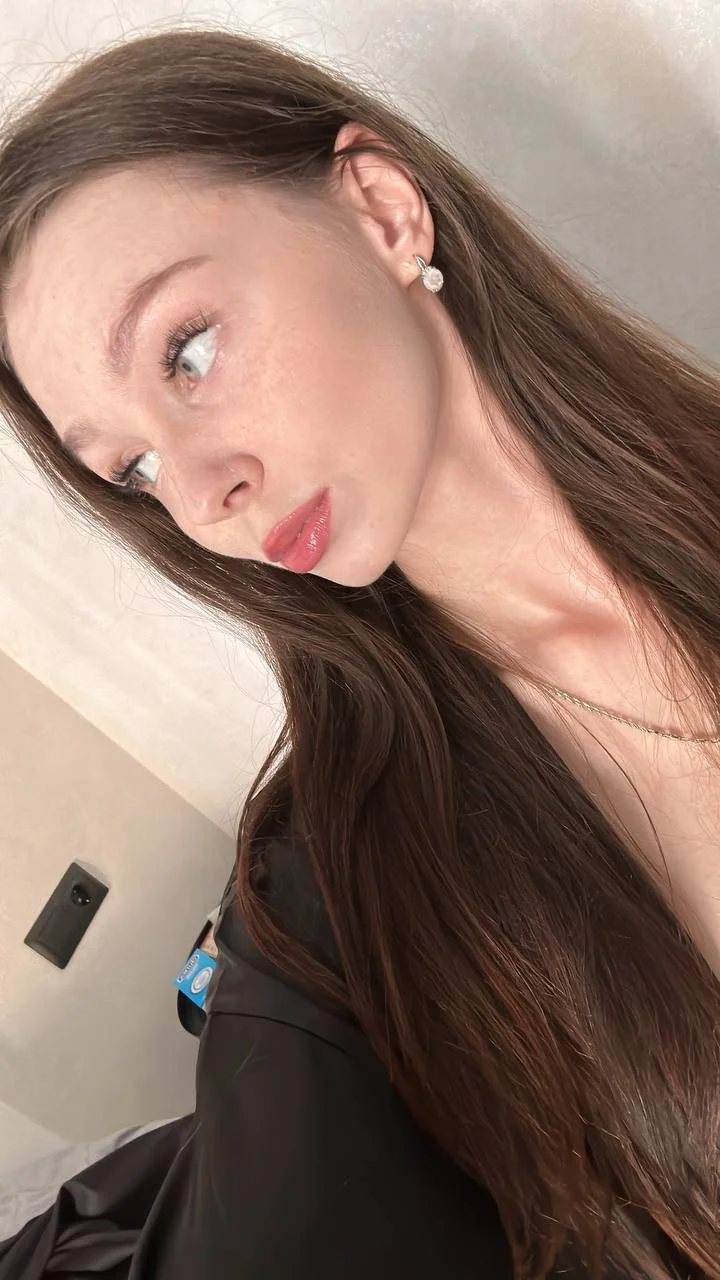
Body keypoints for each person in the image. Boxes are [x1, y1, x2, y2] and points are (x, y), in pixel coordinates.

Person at [0, 25, 717, 1279]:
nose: (202, 494)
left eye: (188, 351)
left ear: (384, 211)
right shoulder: (333, 883)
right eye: (134, 467)